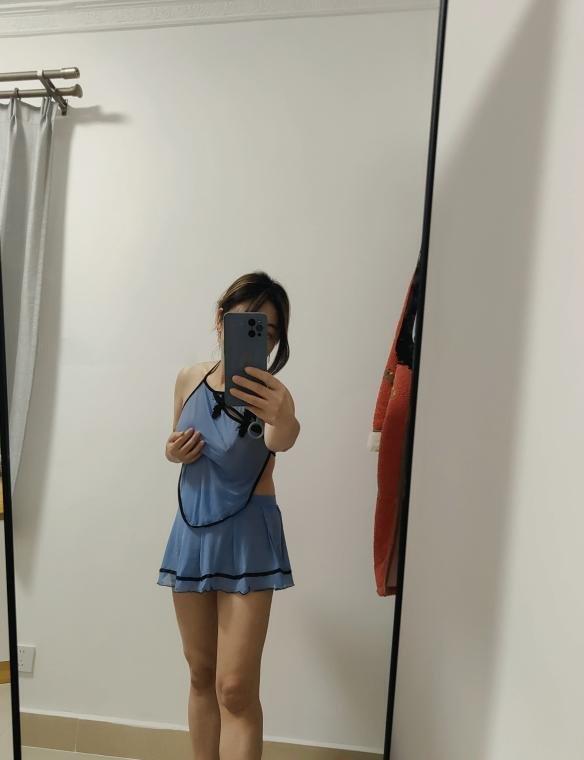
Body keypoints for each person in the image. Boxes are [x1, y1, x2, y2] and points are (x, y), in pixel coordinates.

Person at [157, 271, 300, 760]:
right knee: (200, 673)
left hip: (248, 537)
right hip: (192, 530)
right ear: (221, 320)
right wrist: (173, 451)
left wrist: (283, 416)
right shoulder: (187, 378)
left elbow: (283, 438)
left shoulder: (274, 396)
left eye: (270, 331)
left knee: (235, 687)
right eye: (247, 322)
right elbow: (174, 442)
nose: (260, 335)